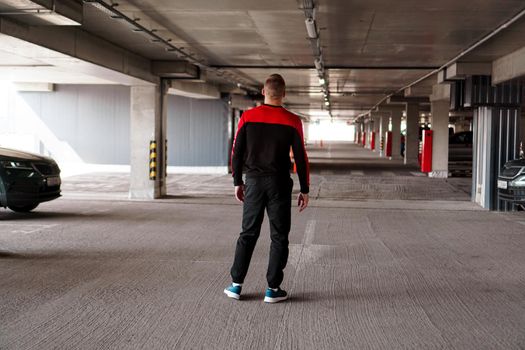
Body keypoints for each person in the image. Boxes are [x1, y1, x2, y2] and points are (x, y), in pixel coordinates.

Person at [224, 74, 310, 303]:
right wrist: (305, 189)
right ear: (284, 94)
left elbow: (237, 152)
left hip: (253, 182)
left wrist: (237, 182)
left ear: (263, 92)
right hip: (280, 183)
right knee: (279, 236)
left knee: (248, 233)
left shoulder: (248, 117)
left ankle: (236, 285)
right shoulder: (293, 120)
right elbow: (301, 157)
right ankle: (273, 289)